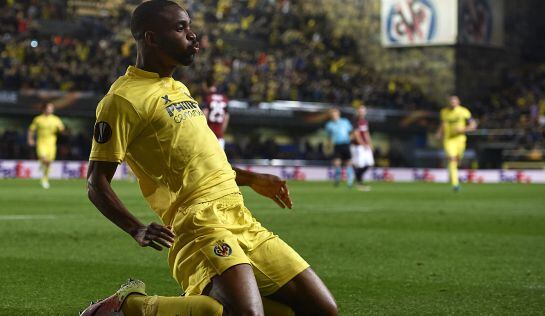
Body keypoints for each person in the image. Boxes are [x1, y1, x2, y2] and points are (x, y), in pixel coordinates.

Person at [81, 2, 338, 316]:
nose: (193, 36)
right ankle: (129, 306)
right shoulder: (122, 100)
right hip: (198, 223)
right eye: (180, 28)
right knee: (246, 314)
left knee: (323, 310)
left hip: (240, 217)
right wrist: (135, 228)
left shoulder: (178, 89)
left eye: (189, 27)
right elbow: (96, 182)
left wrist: (252, 178)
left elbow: (201, 159)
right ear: (151, 38)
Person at [435, 95, 477, 191]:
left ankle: (453, 174)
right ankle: (455, 184)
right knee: (452, 159)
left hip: (460, 139)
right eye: (451, 102)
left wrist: (464, 129)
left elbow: (473, 125)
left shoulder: (464, 111)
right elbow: (443, 123)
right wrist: (439, 133)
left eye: (454, 102)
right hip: (448, 140)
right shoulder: (444, 112)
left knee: (457, 160)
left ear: (458, 102)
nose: (452, 104)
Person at [27, 102, 65, 189]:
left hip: (51, 144)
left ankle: (44, 179)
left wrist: (63, 131)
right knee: (45, 160)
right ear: (44, 109)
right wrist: (30, 139)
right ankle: (42, 163)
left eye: (52, 108)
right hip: (41, 143)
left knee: (49, 162)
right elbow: (31, 130)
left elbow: (62, 129)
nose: (51, 109)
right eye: (49, 108)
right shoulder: (38, 119)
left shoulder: (56, 119)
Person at [325, 108, 355, 187]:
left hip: (345, 144)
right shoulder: (329, 125)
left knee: (348, 162)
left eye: (335, 114)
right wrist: (328, 145)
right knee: (337, 163)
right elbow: (329, 137)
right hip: (337, 145)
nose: (334, 115)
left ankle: (350, 181)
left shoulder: (345, 122)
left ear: (338, 114)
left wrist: (349, 139)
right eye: (332, 114)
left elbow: (352, 132)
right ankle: (337, 179)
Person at [350, 104, 374, 191]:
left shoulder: (365, 121)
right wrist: (363, 144)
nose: (362, 112)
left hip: (365, 146)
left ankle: (357, 179)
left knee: (370, 163)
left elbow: (366, 133)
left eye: (363, 111)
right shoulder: (355, 121)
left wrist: (370, 143)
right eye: (360, 111)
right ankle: (359, 183)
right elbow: (356, 134)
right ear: (357, 112)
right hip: (358, 146)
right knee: (360, 165)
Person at [202, 78, 230, 150]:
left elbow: (205, 113)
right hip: (220, 136)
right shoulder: (225, 99)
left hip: (209, 135)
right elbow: (226, 117)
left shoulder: (208, 97)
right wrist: (221, 130)